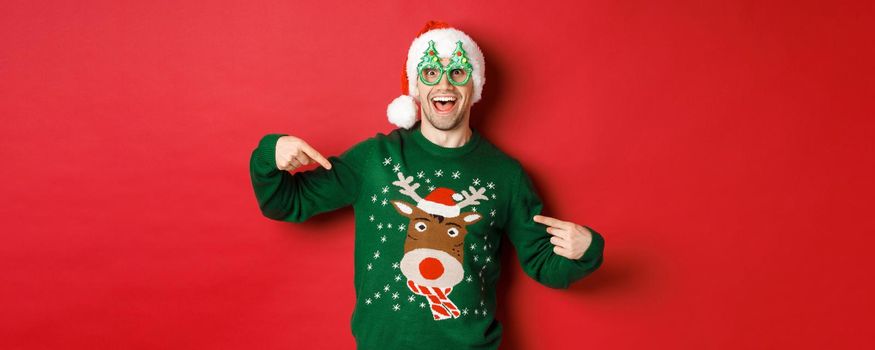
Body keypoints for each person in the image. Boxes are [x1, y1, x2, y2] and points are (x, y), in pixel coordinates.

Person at [249, 20, 605, 350]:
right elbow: (284, 202)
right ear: (416, 87)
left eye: (458, 72)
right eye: (431, 72)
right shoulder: (375, 159)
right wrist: (271, 155)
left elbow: (544, 264)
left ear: (475, 85)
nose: (444, 85)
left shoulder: (505, 175)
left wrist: (586, 250)